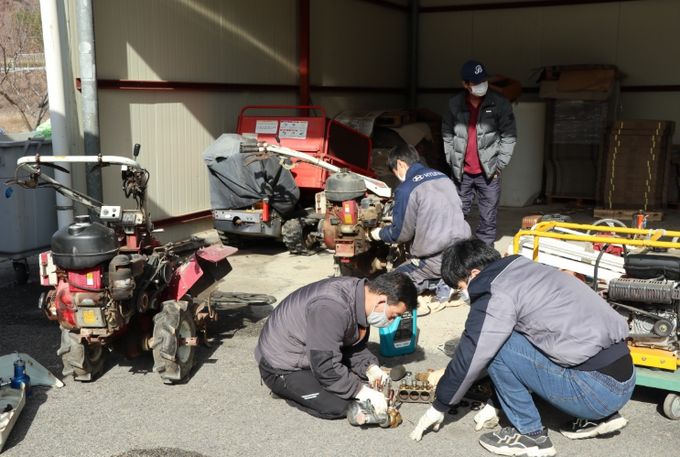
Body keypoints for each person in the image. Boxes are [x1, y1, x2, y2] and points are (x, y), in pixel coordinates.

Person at [410, 239, 635, 457]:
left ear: (475, 274)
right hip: (623, 382)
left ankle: (530, 435)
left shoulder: (494, 290)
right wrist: (497, 402)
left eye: (461, 287)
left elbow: (473, 352)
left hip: (594, 392)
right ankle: (601, 417)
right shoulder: (527, 269)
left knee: (496, 346)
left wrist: (440, 405)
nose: (464, 294)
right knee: (509, 337)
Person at [255, 271, 417, 423]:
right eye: (393, 315)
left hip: (313, 353)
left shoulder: (362, 296)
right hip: (281, 366)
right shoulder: (331, 307)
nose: (391, 321)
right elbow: (325, 366)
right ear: (381, 300)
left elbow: (352, 345)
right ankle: (284, 390)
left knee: (361, 382)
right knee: (340, 404)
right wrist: (361, 392)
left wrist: (370, 368)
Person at [369, 143, 470, 301]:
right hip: (463, 252)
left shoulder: (406, 189)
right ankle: (453, 276)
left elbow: (400, 235)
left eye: (394, 171)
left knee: (386, 286)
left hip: (435, 260)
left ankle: (443, 281)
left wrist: (378, 234)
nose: (396, 176)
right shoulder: (443, 177)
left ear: (400, 164)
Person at [442, 59, 517, 245]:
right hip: (462, 173)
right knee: (456, 216)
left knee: (488, 219)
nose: (481, 85)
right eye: (475, 82)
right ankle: (458, 253)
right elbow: (447, 133)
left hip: (489, 173)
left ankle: (485, 254)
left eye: (483, 80)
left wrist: (499, 164)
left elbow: (509, 136)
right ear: (465, 84)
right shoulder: (454, 104)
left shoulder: (499, 103)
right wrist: (452, 159)